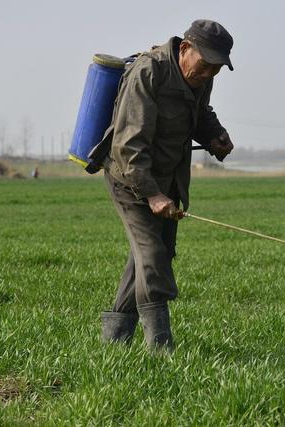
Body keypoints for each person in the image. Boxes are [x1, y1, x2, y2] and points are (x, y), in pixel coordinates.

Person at [99, 20, 234, 352]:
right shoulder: (149, 73)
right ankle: (161, 351)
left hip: (167, 182)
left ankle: (113, 344)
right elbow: (127, 146)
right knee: (153, 257)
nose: (208, 74)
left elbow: (200, 114)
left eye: (216, 69)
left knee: (150, 258)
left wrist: (215, 135)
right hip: (131, 181)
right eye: (206, 65)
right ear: (186, 49)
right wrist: (152, 194)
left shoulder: (200, 76)